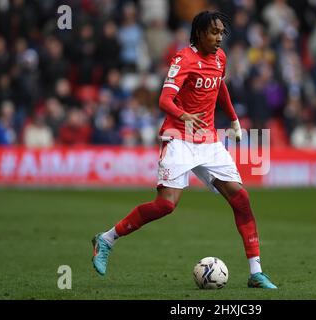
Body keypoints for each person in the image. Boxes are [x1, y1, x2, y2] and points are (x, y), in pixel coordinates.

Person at [91, 11, 277, 289]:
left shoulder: (220, 58)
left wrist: (234, 118)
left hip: (209, 141)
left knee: (241, 198)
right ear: (199, 34)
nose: (219, 38)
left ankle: (256, 272)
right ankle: (106, 239)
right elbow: (164, 99)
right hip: (179, 136)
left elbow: (219, 87)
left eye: (221, 33)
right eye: (214, 33)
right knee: (166, 204)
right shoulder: (183, 59)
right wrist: (184, 115)